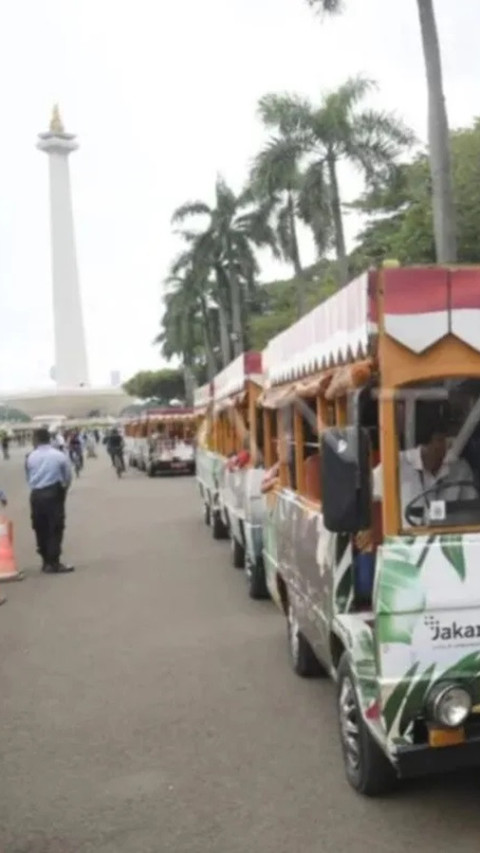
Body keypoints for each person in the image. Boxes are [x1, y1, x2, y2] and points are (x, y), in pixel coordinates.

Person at [373, 421, 476, 525]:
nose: (445, 446)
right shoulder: (396, 465)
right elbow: (366, 495)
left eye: (446, 441)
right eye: (439, 440)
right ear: (424, 444)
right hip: (407, 537)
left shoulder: (460, 469)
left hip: (449, 537)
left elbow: (471, 511)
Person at [25, 428, 74, 573]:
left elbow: (28, 477)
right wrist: (63, 489)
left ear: (36, 439)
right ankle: (54, 562)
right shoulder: (59, 455)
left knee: (40, 527)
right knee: (55, 527)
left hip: (36, 494)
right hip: (54, 493)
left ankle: (45, 561)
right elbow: (68, 476)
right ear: (49, 439)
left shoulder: (30, 457)